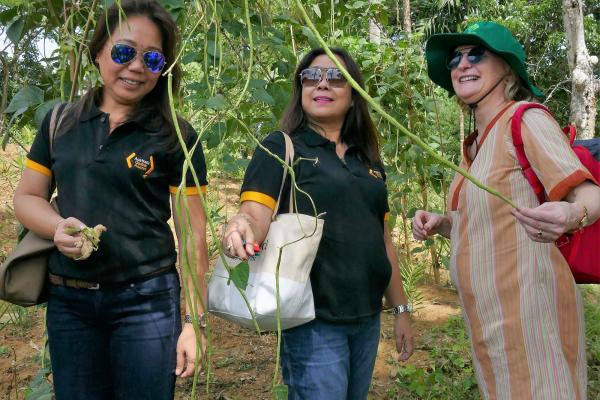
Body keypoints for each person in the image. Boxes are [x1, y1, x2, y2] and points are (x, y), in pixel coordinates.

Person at [13, 1, 208, 398]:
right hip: (70, 303)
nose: (136, 66)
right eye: (123, 52)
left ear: (164, 68)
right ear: (98, 51)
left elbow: (193, 236)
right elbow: (28, 197)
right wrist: (58, 226)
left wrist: (194, 324)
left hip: (147, 303)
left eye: (152, 59)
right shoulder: (60, 122)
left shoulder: (177, 137)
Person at [413, 21, 600, 400]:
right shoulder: (475, 146)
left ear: (507, 68)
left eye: (476, 54)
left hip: (531, 314)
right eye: (454, 58)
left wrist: (571, 215)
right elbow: (488, 221)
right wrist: (445, 223)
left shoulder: (525, 119)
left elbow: (589, 195)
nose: (462, 64)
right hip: (486, 319)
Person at [220, 47, 414, 399]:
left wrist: (400, 310)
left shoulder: (368, 160)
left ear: (354, 94)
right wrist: (241, 225)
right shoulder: (282, 147)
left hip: (367, 317)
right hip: (312, 320)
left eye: (336, 76)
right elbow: (254, 214)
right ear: (301, 89)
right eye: (311, 76)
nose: (322, 83)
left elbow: (383, 240)